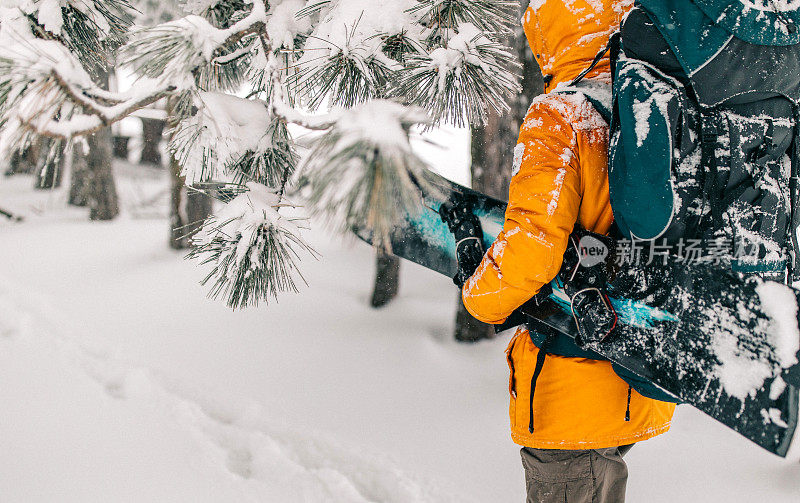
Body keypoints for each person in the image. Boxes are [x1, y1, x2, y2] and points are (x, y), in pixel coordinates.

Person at [456, 1, 676, 501]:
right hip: (636, 370)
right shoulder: (656, 108)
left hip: (569, 388)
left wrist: (479, 299)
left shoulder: (563, 116)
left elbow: (532, 249)